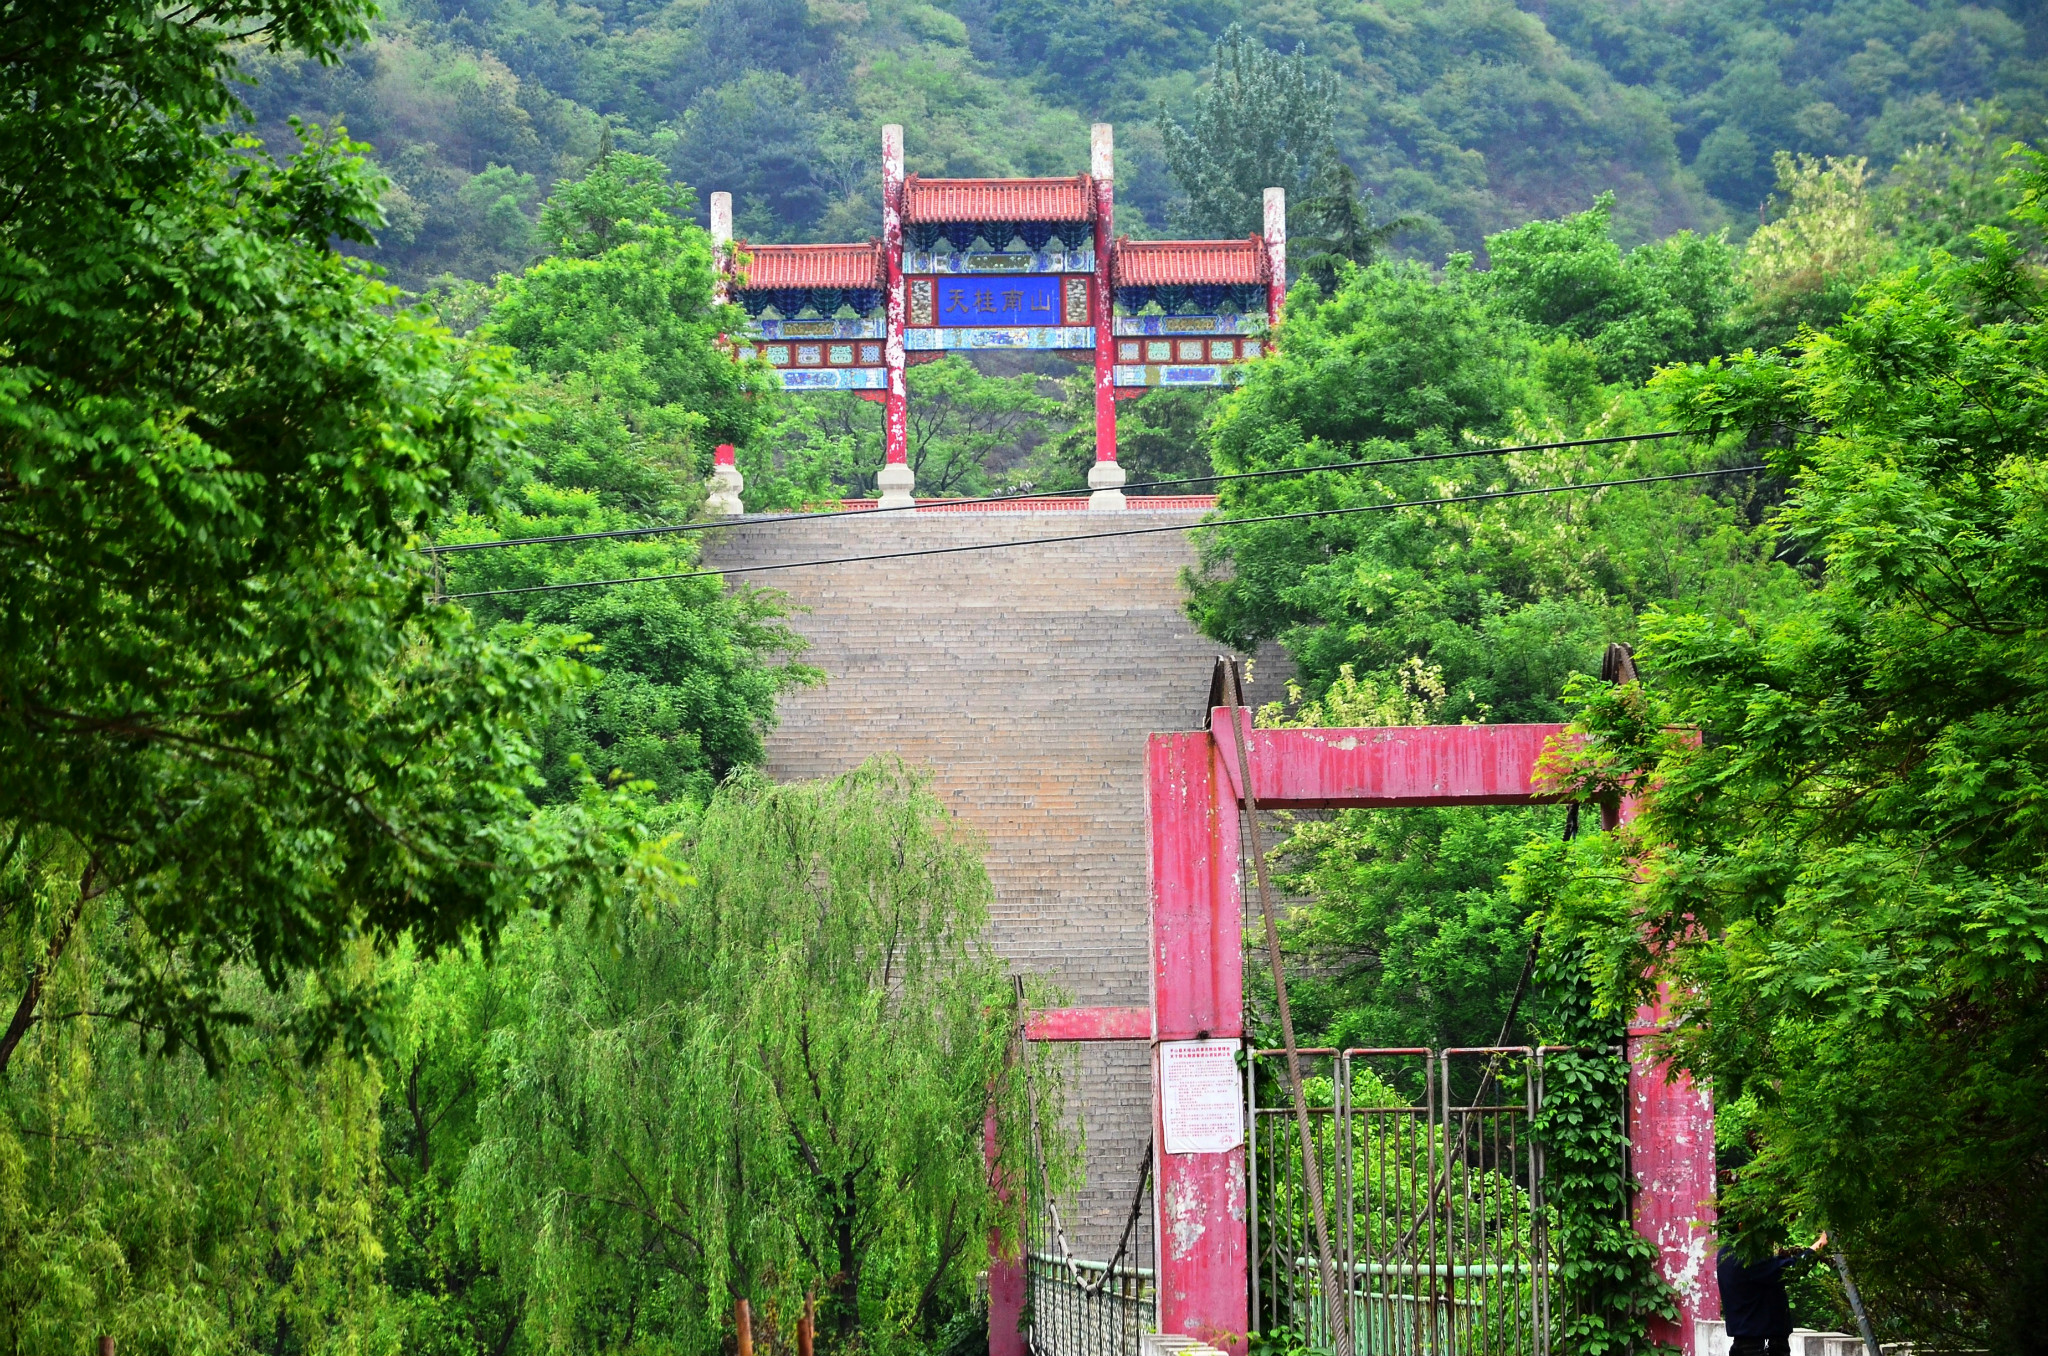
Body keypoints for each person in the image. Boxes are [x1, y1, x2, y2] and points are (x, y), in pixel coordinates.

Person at [1717, 1229, 1830, 1356]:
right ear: (1742, 1226)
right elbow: (1791, 1270)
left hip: (1747, 1343)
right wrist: (1819, 1245)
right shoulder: (1746, 1259)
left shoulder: (1725, 1253)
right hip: (1760, 1346)